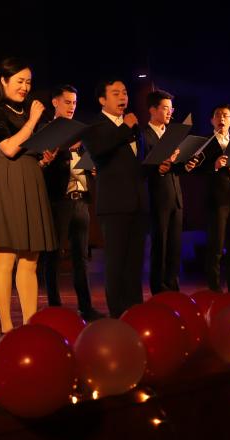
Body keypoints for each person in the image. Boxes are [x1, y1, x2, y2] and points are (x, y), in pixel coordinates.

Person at [0, 57, 57, 332]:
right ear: (3, 81)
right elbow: (9, 148)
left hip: (31, 177)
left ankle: (29, 324)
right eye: (19, 81)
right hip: (8, 178)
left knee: (30, 259)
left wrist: (44, 158)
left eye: (28, 82)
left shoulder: (27, 111)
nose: (25, 87)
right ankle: (6, 326)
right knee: (6, 257)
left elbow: (27, 150)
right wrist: (33, 120)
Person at [82, 79, 147, 318]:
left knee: (134, 262)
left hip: (138, 202)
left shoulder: (132, 124)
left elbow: (138, 161)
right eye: (116, 93)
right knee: (116, 262)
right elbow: (99, 150)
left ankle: (135, 310)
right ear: (102, 100)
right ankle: (118, 313)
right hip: (114, 204)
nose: (123, 97)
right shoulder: (95, 126)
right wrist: (126, 128)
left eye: (125, 92)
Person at [41, 85, 100, 321]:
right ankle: (55, 307)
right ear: (55, 102)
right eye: (67, 102)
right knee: (53, 255)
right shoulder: (47, 131)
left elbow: (89, 160)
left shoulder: (80, 133)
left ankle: (86, 307)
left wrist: (92, 167)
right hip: (59, 201)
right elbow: (42, 168)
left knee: (81, 257)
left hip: (81, 200)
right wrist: (65, 150)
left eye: (74, 103)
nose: (72, 107)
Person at [185, 104, 230, 292]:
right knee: (215, 248)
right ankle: (214, 289)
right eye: (218, 115)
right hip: (216, 199)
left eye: (225, 115)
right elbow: (195, 170)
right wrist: (214, 166)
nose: (221, 118)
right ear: (212, 120)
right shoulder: (204, 143)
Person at [142, 89, 183, 293]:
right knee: (160, 245)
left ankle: (173, 287)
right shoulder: (143, 135)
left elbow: (177, 167)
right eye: (165, 108)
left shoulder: (172, 135)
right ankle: (159, 289)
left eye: (171, 109)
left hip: (175, 196)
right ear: (152, 110)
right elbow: (141, 168)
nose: (169, 113)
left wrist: (185, 163)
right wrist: (158, 168)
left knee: (175, 245)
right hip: (157, 196)